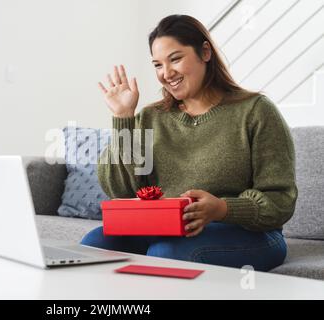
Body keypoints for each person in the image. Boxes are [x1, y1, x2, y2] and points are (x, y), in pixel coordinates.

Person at [80, 14, 298, 272]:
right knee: (94, 244)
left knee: (166, 253)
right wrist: (123, 119)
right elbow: (121, 190)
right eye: (158, 65)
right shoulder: (151, 117)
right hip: (168, 230)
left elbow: (280, 200)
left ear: (205, 52)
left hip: (250, 234)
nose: (166, 74)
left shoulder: (255, 111)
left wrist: (222, 209)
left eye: (175, 59)